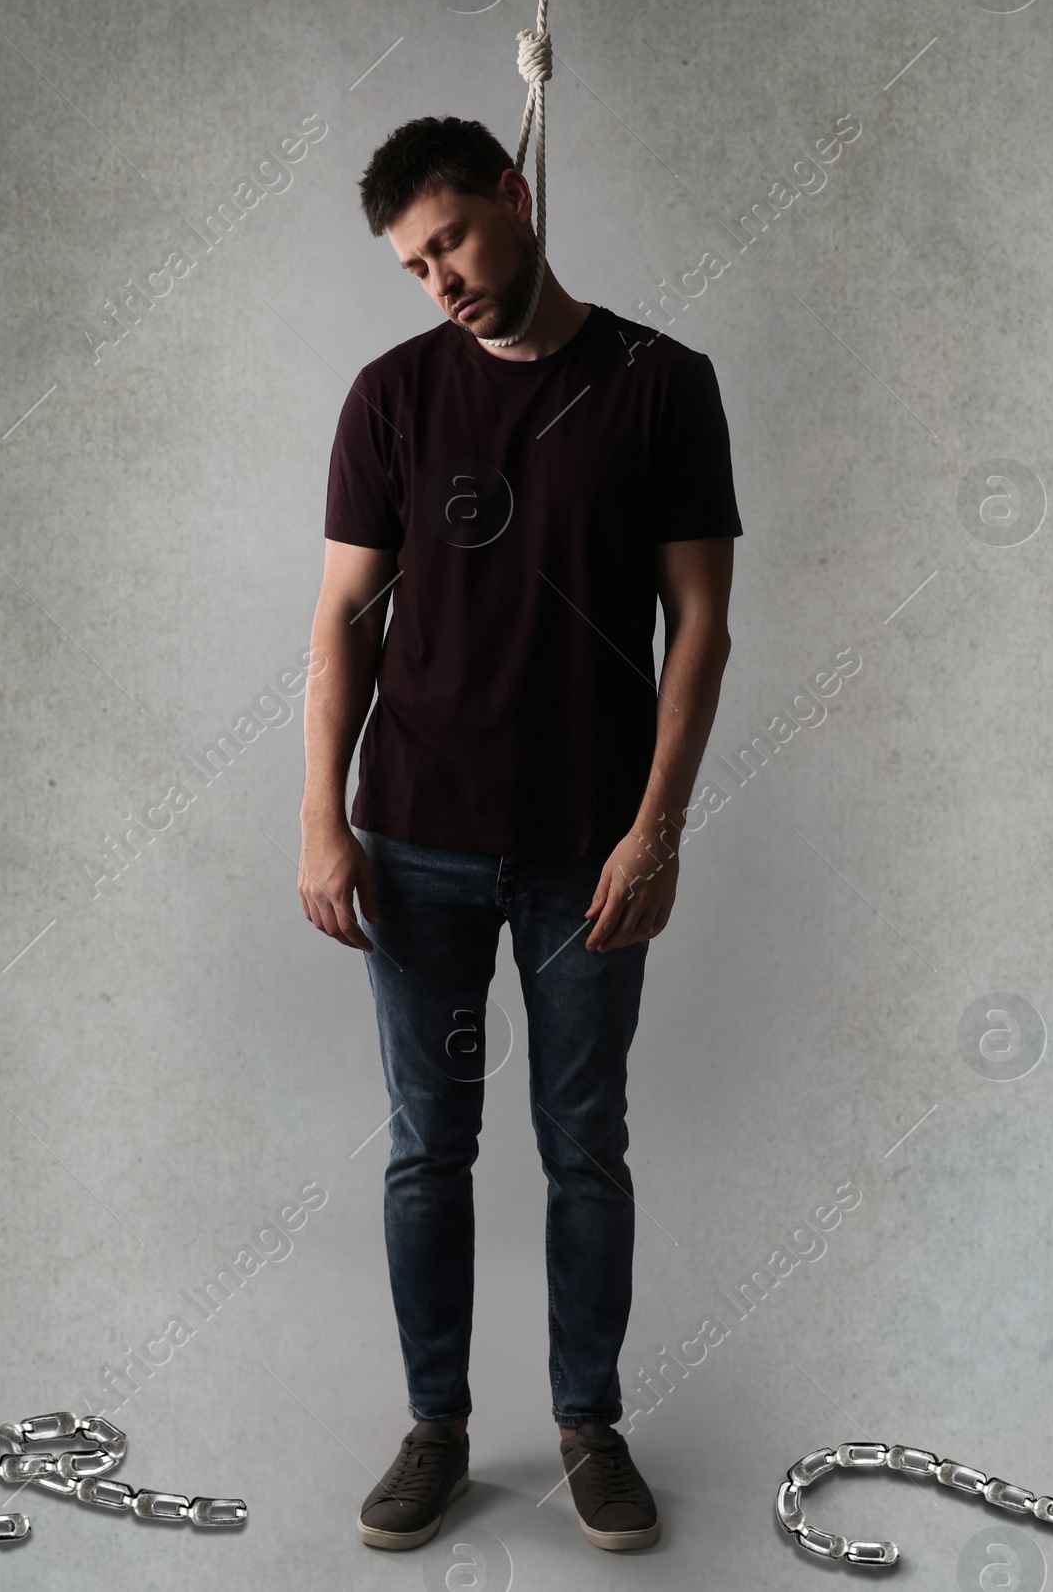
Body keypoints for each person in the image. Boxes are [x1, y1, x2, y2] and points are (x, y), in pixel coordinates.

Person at [296, 114, 741, 1554]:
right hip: (414, 836)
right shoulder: (392, 398)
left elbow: (702, 627)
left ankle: (588, 1425)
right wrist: (321, 818)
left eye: (454, 244)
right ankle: (436, 1428)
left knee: (582, 1149)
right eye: (415, 267)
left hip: (583, 854)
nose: (442, 282)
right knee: (429, 1151)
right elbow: (340, 628)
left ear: (516, 193)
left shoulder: (663, 386)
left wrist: (656, 830)